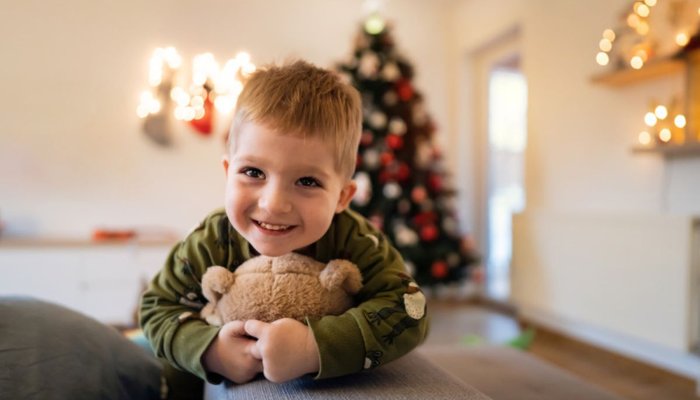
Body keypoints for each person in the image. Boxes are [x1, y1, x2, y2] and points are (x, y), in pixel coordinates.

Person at [139, 60, 429, 396]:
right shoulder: (210, 239)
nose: (274, 203)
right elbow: (157, 307)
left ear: (342, 197)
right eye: (253, 172)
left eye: (307, 180)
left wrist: (313, 346)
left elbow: (410, 310)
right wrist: (210, 350)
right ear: (227, 172)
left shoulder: (356, 239)